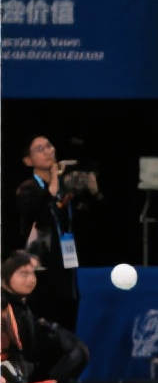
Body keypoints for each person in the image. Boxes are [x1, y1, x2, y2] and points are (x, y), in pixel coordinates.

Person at [13, 136, 90, 331]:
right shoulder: (27, 189)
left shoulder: (64, 189)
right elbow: (38, 214)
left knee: (67, 328)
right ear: (28, 161)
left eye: (49, 146)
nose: (47, 151)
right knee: (43, 330)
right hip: (41, 271)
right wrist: (54, 182)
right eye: (40, 149)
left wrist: (93, 191)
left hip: (67, 268)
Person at [1, 251, 88, 383]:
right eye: (24, 274)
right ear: (5, 277)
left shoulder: (23, 306)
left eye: (33, 273)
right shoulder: (4, 305)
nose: (31, 279)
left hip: (29, 366)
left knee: (77, 350)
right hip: (11, 373)